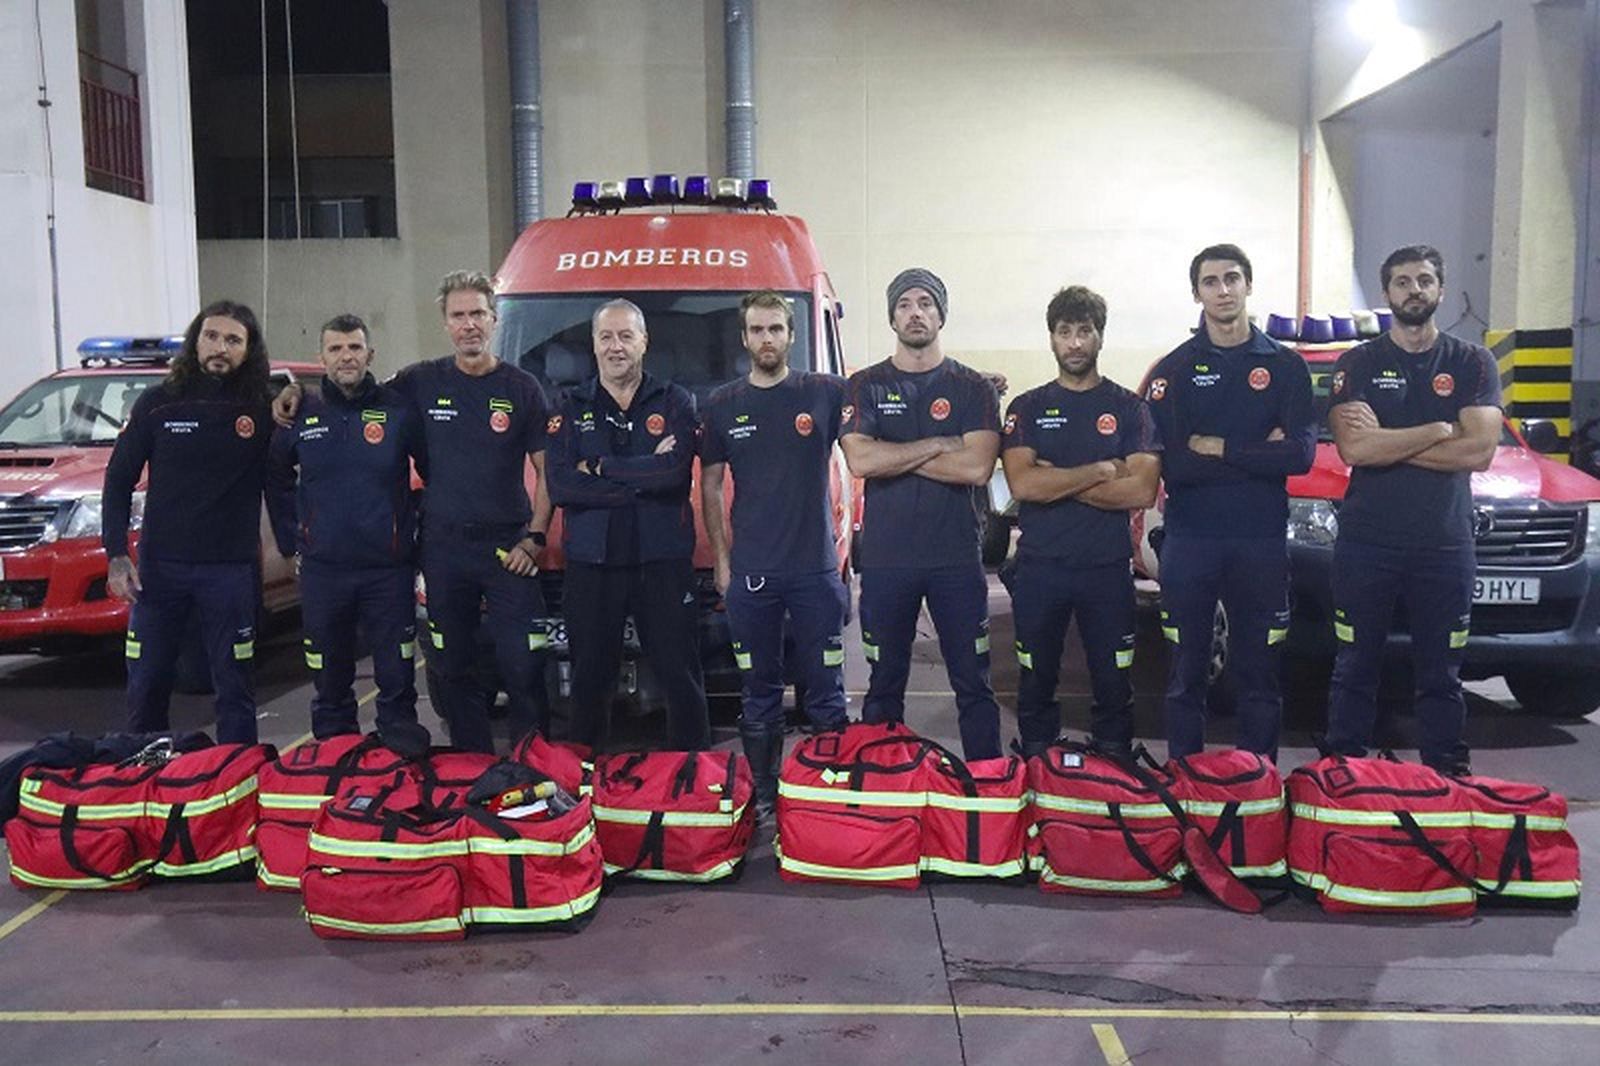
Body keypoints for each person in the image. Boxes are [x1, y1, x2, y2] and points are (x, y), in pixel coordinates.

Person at [274, 271, 554, 753]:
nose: (468, 325)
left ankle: (536, 762)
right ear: (445, 323)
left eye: (477, 315)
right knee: (454, 669)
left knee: (524, 666)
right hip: (443, 550)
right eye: (458, 315)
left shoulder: (523, 387)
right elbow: (354, 393)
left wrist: (536, 537)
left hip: (509, 550)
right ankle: (473, 766)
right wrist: (295, 394)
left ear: (493, 319)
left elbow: (549, 470)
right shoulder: (418, 382)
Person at [1324, 245, 1500, 774]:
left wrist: (1390, 441)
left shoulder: (1472, 363)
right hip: (1367, 545)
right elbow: (1355, 450)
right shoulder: (1358, 363)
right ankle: (1342, 772)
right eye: (1402, 281)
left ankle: (1446, 774)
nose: (1414, 289)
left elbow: (1480, 452)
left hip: (1444, 546)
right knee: (1354, 664)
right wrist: (1435, 430)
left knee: (1442, 672)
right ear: (1387, 293)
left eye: (1425, 280)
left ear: (1440, 289)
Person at [1142, 244, 1314, 760]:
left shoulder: (1285, 367)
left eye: (1232, 278)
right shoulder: (1173, 371)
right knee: (1185, 674)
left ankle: (1257, 780)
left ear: (1248, 285)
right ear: (1196, 292)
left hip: (1260, 542)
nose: (1222, 290)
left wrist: (1219, 446)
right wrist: (1262, 450)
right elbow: (1175, 464)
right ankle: (1186, 783)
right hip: (1191, 541)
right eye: (1211, 281)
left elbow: (1301, 455)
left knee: (1259, 675)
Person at [841, 268, 1004, 760]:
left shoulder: (972, 387)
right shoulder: (865, 385)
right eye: (906, 304)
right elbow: (861, 460)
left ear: (941, 314)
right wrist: (939, 443)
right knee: (884, 686)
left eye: (926, 304)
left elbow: (977, 467)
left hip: (955, 559)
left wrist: (896, 453)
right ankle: (886, 789)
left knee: (973, 686)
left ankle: (987, 792)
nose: (916, 312)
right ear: (892, 316)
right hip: (888, 562)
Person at [701, 290, 850, 813]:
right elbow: (711, 486)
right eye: (757, 330)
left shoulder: (826, 393)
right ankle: (765, 796)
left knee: (826, 692)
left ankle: (829, 791)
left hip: (815, 571)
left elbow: (875, 413)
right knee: (758, 693)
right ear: (744, 339)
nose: (767, 339)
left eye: (776, 330)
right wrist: (723, 561)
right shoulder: (722, 404)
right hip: (753, 575)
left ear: (791, 336)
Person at [104, 301, 275, 744]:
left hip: (230, 572)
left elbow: (293, 465)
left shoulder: (261, 408)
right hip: (161, 572)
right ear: (196, 340)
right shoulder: (158, 403)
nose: (221, 347)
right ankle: (144, 779)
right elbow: (119, 478)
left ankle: (237, 778)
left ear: (248, 350)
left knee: (235, 688)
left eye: (234, 340)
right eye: (212, 336)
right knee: (146, 684)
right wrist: (117, 555)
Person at [1002, 286, 1161, 759]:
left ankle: (1112, 761)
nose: (1074, 343)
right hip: (1040, 568)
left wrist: (1057, 478)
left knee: (1114, 679)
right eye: (1064, 332)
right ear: (1051, 339)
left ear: (1100, 338)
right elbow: (1023, 486)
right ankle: (1037, 760)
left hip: (1106, 570)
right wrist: (1098, 470)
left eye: (1084, 332)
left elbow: (1141, 490)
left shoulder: (1130, 409)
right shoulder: (1027, 408)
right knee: (1036, 677)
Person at [545, 298, 711, 751]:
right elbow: (561, 487)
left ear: (644, 342)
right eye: (606, 337)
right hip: (592, 564)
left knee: (681, 675)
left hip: (662, 561)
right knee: (589, 680)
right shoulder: (568, 404)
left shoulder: (675, 400)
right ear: (594, 345)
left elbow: (675, 474)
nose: (616, 346)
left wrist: (597, 467)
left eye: (625, 336)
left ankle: (694, 777)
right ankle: (585, 780)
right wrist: (640, 479)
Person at [266, 313, 427, 740]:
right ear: (321, 357)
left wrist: (414, 529)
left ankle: (399, 772)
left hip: (387, 572)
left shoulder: (398, 410)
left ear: (369, 353)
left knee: (397, 681)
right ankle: (336, 770)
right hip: (324, 572)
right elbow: (276, 477)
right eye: (336, 349)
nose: (346, 357)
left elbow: (434, 472)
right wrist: (290, 543)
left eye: (354, 347)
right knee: (330, 683)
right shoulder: (299, 411)